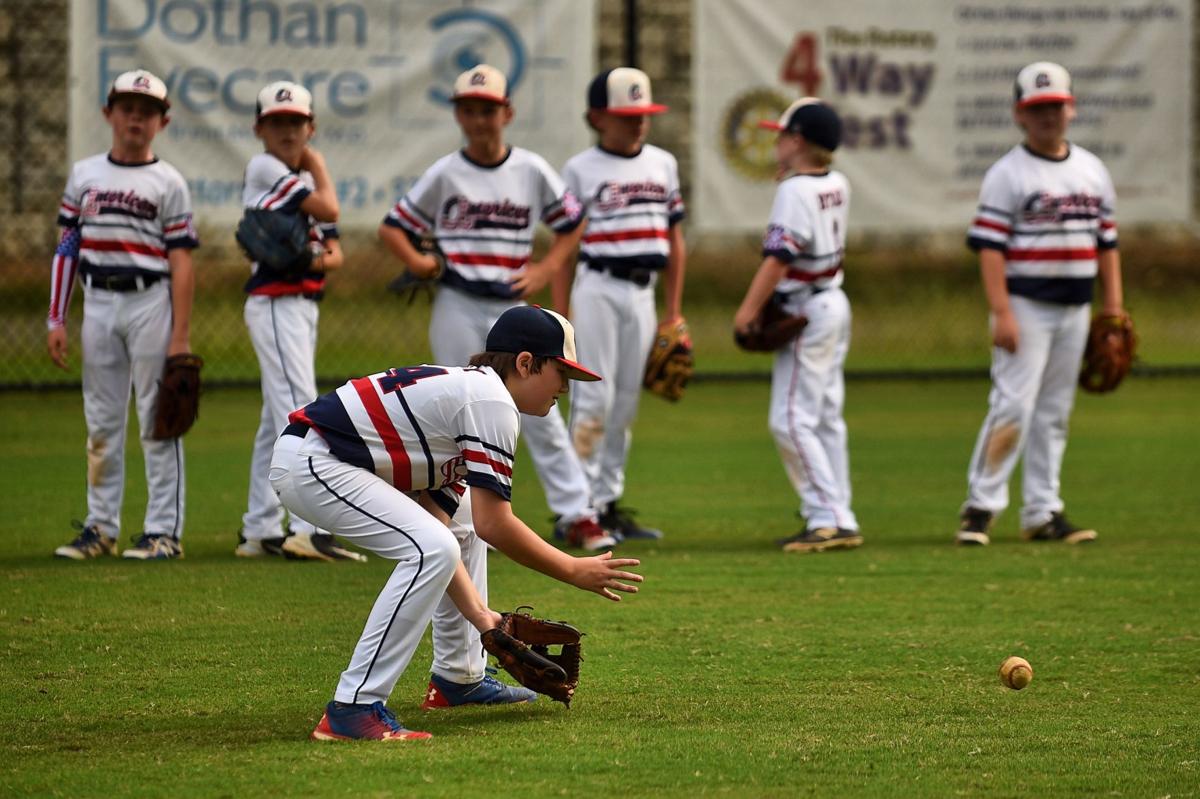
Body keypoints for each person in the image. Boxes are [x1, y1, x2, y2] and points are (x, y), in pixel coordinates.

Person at [270, 305, 643, 740]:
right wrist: (573, 569)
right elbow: (496, 524)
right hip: (315, 461)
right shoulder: (491, 403)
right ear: (525, 363)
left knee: (451, 529)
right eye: (560, 372)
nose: (565, 386)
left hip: (322, 458)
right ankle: (354, 708)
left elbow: (445, 518)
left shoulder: (475, 394)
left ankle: (458, 677)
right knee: (431, 548)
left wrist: (483, 618)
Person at [378, 65, 615, 552]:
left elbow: (572, 221)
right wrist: (421, 262)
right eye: (469, 109)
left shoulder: (528, 168)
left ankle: (577, 513)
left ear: (507, 111)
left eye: (488, 109)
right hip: (459, 300)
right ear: (458, 114)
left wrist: (548, 268)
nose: (479, 119)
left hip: (514, 308)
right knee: (453, 406)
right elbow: (393, 226)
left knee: (541, 409)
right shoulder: (447, 172)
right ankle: (450, 516)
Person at [956, 62, 1124, 546]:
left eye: (1055, 106)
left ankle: (1042, 511)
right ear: (1019, 115)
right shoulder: (1008, 174)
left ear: (1071, 108)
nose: (1048, 116)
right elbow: (990, 248)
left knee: (1054, 412)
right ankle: (980, 507)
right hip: (1025, 306)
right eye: (1037, 108)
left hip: (1074, 309)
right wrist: (1001, 311)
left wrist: (1112, 310)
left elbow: (1107, 246)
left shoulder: (1092, 170)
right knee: (1012, 406)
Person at [48, 70, 199, 560]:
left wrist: (181, 334)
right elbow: (68, 245)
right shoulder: (84, 173)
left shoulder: (168, 181)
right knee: (102, 421)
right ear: (107, 112)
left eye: (148, 110)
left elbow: (180, 260)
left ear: (164, 120)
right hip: (98, 301)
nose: (137, 117)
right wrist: (56, 318)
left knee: (158, 418)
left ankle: (163, 532)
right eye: (128, 107)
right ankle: (100, 527)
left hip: (149, 299)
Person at [554, 67, 686, 542]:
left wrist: (674, 311)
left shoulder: (663, 163)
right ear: (597, 117)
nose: (638, 123)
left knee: (626, 401)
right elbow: (564, 245)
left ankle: (606, 503)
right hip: (598, 288)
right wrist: (562, 315)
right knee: (593, 397)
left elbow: (675, 239)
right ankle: (576, 507)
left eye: (643, 113)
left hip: (643, 292)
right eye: (626, 114)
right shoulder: (580, 168)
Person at [233, 81, 362, 562]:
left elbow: (335, 253)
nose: (287, 131)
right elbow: (329, 211)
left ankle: (259, 529)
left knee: (275, 419)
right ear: (259, 129)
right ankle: (308, 529)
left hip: (299, 303)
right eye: (277, 122)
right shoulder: (267, 166)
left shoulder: (297, 181)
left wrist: (312, 259)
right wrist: (320, 163)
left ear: (310, 126)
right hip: (275, 301)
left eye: (295, 122)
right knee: (301, 415)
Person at [733, 99, 862, 553]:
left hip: (805, 309)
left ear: (799, 140)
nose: (777, 142)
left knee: (790, 420)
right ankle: (837, 511)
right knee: (825, 417)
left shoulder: (795, 191)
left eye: (783, 135)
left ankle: (828, 516)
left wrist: (749, 310)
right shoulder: (836, 181)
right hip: (832, 304)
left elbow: (780, 257)